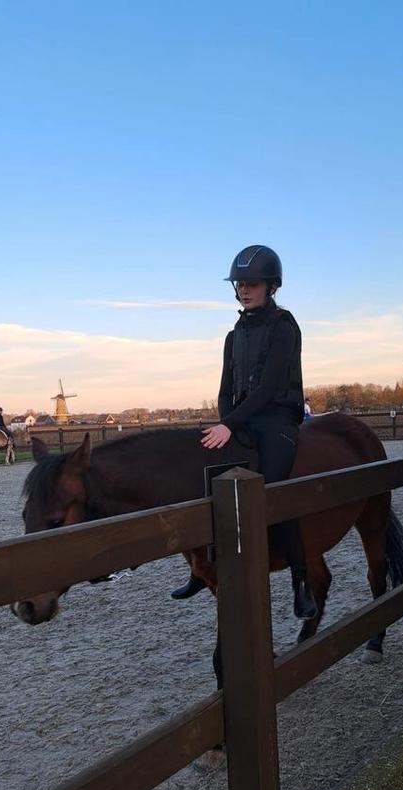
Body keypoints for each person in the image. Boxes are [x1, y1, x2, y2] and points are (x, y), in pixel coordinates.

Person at [170, 244, 317, 620]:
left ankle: (301, 579)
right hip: (239, 419)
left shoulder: (285, 326)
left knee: (274, 489)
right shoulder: (233, 336)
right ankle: (202, 569)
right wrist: (226, 422)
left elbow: (268, 388)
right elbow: (224, 389)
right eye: (240, 283)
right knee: (207, 477)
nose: (244, 290)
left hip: (277, 420)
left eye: (252, 283)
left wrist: (230, 423)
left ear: (271, 286)